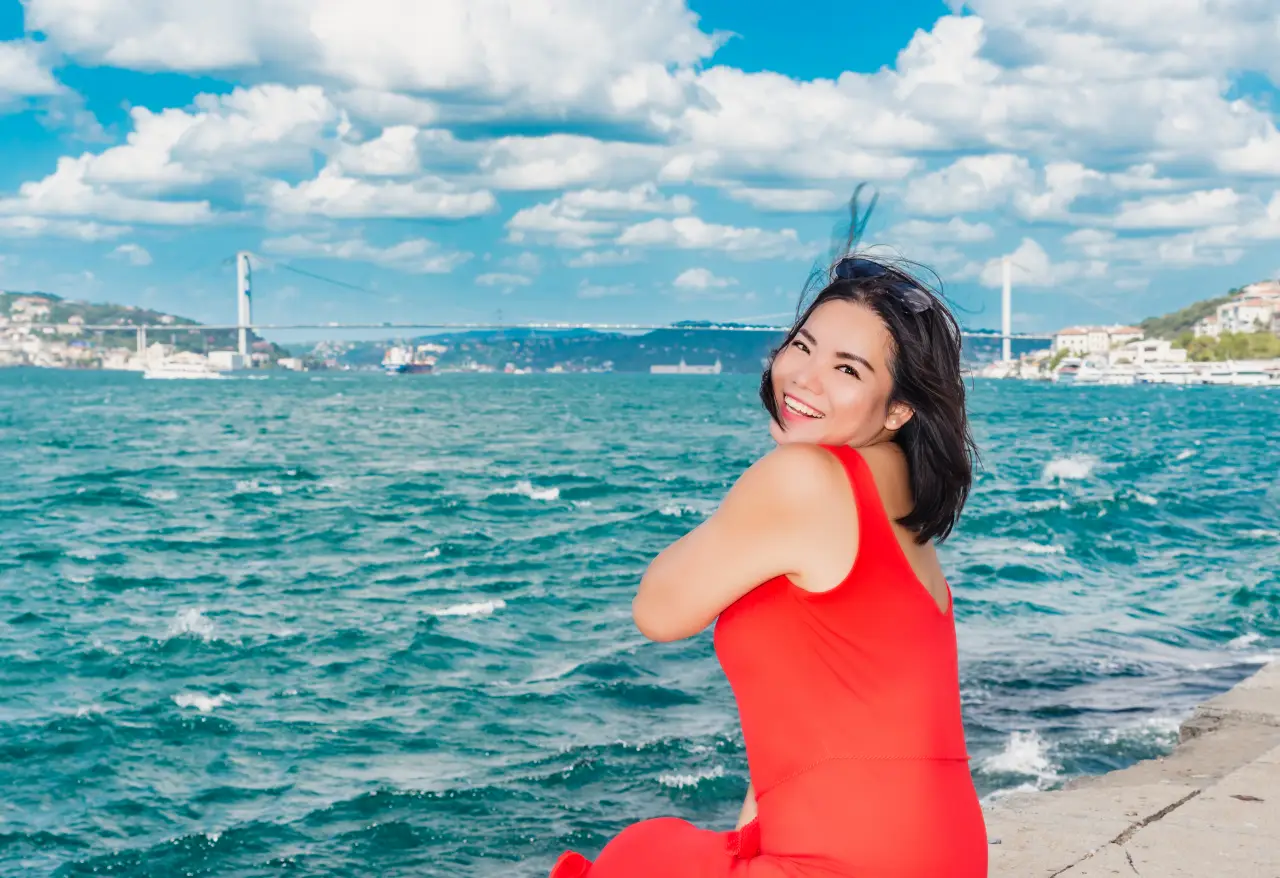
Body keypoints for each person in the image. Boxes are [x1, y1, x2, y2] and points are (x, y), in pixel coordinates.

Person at [550, 236, 987, 877]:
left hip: (856, 860)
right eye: (803, 346)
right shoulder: (900, 498)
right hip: (947, 851)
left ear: (899, 408)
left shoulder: (803, 476)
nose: (804, 377)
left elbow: (658, 612)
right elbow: (838, 710)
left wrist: (766, 482)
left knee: (636, 853)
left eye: (847, 368)